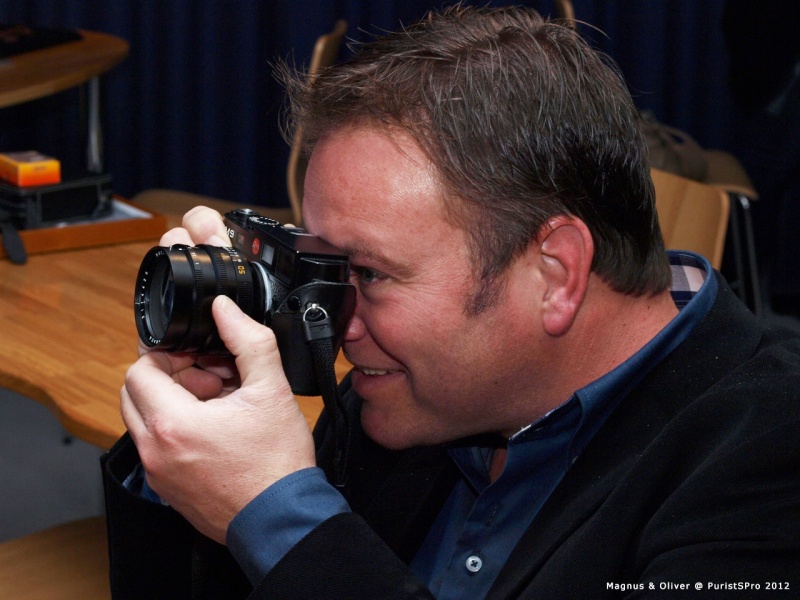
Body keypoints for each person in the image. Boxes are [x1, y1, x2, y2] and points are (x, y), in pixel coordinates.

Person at [103, 5, 800, 598]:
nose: (340, 322)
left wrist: (281, 518)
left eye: (369, 272)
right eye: (326, 266)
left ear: (556, 273)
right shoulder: (412, 389)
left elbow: (307, 559)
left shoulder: (767, 461)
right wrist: (193, 459)